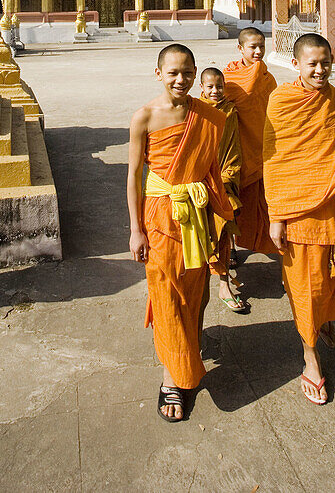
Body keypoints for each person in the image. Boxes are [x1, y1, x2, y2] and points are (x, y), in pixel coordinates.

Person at [264, 33, 335, 405]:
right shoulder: (281, 102)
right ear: (295, 64)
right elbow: (276, 162)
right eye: (312, 63)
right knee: (306, 288)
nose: (319, 69)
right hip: (298, 215)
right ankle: (310, 358)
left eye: (325, 62)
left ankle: (324, 321)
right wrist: (276, 217)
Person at [127, 44, 233, 423]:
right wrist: (135, 230)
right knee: (166, 291)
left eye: (187, 72)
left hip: (197, 213)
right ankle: (174, 375)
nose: (180, 79)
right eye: (173, 72)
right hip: (159, 214)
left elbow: (211, 172)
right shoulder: (144, 117)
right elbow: (134, 177)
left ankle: (189, 348)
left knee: (194, 291)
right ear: (158, 73)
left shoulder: (207, 116)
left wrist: (221, 217)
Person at [223, 27, 278, 258]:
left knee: (261, 200)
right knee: (234, 197)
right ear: (240, 48)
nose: (258, 51)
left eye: (261, 46)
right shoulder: (229, 78)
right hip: (237, 147)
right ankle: (230, 247)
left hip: (261, 146)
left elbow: (275, 111)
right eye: (252, 47)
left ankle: (263, 239)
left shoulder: (267, 77)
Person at [198, 66, 246, 312]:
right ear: (202, 88)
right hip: (201, 181)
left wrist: (228, 175)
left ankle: (224, 284)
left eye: (219, 86)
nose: (215, 91)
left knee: (224, 230)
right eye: (210, 87)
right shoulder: (195, 111)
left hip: (226, 177)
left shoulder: (230, 111)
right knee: (208, 233)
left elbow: (234, 145)